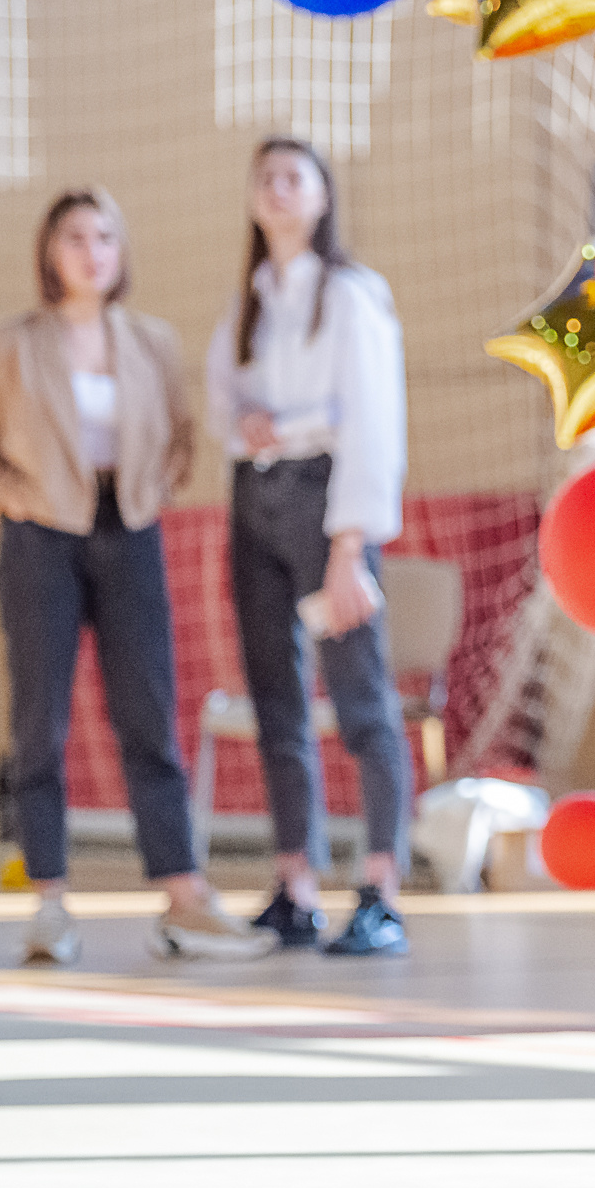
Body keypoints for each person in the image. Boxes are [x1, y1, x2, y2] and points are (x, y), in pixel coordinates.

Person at [0, 187, 275, 962]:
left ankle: (184, 897)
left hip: (129, 532)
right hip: (39, 537)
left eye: (104, 235)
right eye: (74, 236)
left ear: (120, 251)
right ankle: (48, 899)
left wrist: (156, 487)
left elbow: (180, 434)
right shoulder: (7, 344)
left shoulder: (150, 340)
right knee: (39, 725)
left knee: (149, 715)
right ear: (50, 251)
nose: (90, 250)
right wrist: (17, 498)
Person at [205, 137, 413, 957]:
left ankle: (380, 888)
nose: (280, 189)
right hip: (256, 497)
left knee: (360, 697)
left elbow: (373, 421)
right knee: (274, 698)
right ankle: (295, 882)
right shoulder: (251, 300)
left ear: (324, 196)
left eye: (296, 176)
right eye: (266, 178)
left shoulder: (354, 294)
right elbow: (226, 400)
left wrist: (349, 545)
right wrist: (245, 425)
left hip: (330, 502)